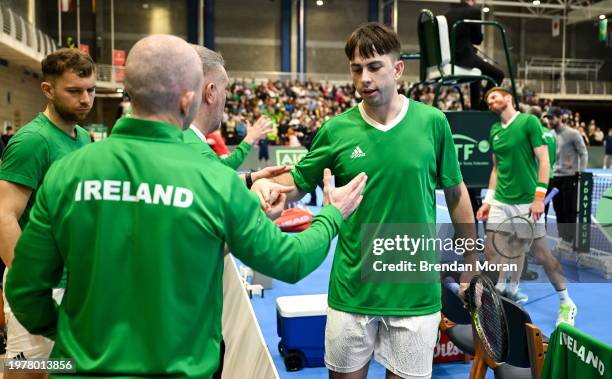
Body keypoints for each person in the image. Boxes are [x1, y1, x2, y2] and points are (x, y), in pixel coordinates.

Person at [5, 34, 367, 378]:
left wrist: (68, 332)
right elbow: (290, 261)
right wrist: (333, 214)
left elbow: (23, 287)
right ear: (187, 99)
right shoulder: (213, 181)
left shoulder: (69, 170)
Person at [252, 22, 478, 379]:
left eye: (374, 67)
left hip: (414, 294)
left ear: (398, 69)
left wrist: (471, 256)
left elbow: (456, 192)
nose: (364, 78)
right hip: (352, 291)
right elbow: (296, 181)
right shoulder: (336, 130)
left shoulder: (433, 123)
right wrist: (268, 189)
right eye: (357, 69)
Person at [0, 48, 95, 375]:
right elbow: (4, 216)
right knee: (27, 371)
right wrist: (30, 283)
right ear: (48, 90)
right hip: (40, 283)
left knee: (64, 368)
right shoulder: (32, 142)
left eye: (90, 90)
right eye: (74, 91)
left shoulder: (84, 138)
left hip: (75, 281)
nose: (85, 99)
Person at [476, 88, 576, 326]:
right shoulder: (495, 130)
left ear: (508, 97)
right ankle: (499, 295)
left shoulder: (529, 122)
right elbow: (496, 169)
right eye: (488, 99)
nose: (490, 101)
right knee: (492, 252)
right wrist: (489, 200)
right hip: (501, 200)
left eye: (494, 96)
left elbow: (544, 160)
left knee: (541, 255)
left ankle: (566, 302)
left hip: (526, 202)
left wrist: (539, 196)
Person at [185, 44, 291, 219]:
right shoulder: (191, 147)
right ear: (210, 92)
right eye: (225, 88)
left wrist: (253, 177)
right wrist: (333, 215)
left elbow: (214, 173)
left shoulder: (181, 139)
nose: (227, 97)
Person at [444, 0, 504, 109]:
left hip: (449, 59)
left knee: (478, 69)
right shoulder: (473, 12)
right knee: (498, 75)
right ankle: (482, 107)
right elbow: (477, 39)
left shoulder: (448, 13)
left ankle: (475, 106)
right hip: (464, 59)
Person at [547, 107, 588, 252]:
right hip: (555, 178)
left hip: (570, 177)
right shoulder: (550, 134)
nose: (549, 120)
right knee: (558, 210)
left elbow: (583, 153)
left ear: (559, 117)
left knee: (569, 210)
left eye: (551, 118)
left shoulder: (573, 133)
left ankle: (571, 241)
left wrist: (580, 172)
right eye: (548, 118)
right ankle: (563, 239)